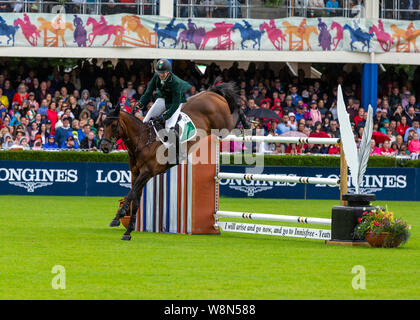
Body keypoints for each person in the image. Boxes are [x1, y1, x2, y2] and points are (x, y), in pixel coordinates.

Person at [138, 59, 192, 130]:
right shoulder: (156, 76)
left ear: (168, 72)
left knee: (169, 128)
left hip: (175, 102)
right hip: (163, 98)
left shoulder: (175, 82)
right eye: (159, 72)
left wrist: (165, 116)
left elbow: (175, 104)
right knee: (145, 121)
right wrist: (139, 105)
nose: (160, 75)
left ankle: (176, 140)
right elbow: (148, 92)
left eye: (162, 73)